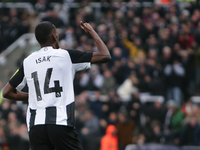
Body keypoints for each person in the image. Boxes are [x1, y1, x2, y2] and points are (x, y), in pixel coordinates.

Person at [3, 21, 111, 150]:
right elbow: (105, 55)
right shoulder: (65, 55)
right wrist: (92, 32)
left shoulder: (27, 61)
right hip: (60, 122)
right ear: (55, 36)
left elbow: (7, 92)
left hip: (35, 126)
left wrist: (32, 96)